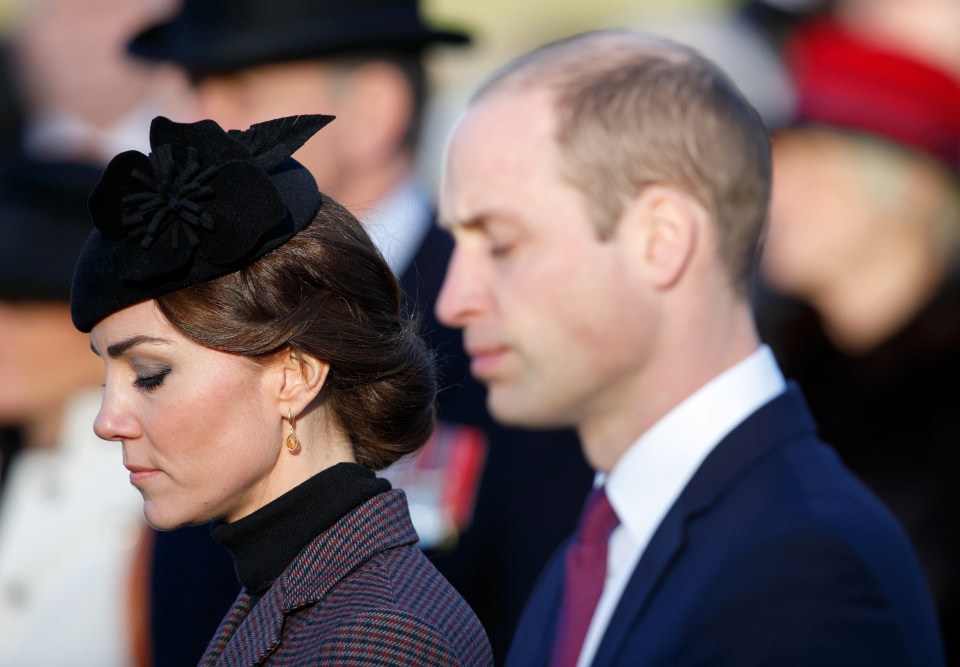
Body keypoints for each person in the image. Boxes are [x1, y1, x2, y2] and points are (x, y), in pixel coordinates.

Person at [436, 28, 945, 666]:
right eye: (456, 243)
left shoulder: (802, 568)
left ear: (662, 240)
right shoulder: (593, 554)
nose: (453, 300)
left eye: (502, 243)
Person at [126, 1, 593, 660]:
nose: (202, 128)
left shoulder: (509, 337)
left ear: (374, 108)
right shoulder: (195, 323)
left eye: (242, 89)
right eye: (194, 89)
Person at [69, 113, 493, 666]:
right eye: (108, 375)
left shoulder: (377, 639)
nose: (107, 421)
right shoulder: (297, 588)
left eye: (150, 375)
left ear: (294, 374)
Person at [756, 17, 960, 659]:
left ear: (909, 192)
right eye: (777, 166)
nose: (777, 197)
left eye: (814, 170)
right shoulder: (769, 365)